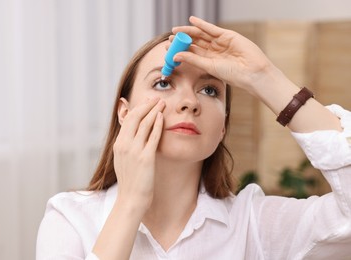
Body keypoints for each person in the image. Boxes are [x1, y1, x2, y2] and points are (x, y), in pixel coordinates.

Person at [36, 16, 351, 259]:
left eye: (210, 90)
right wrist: (130, 204)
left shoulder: (254, 224)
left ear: (223, 126)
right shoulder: (70, 218)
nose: (190, 102)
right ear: (124, 111)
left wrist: (264, 77)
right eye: (163, 82)